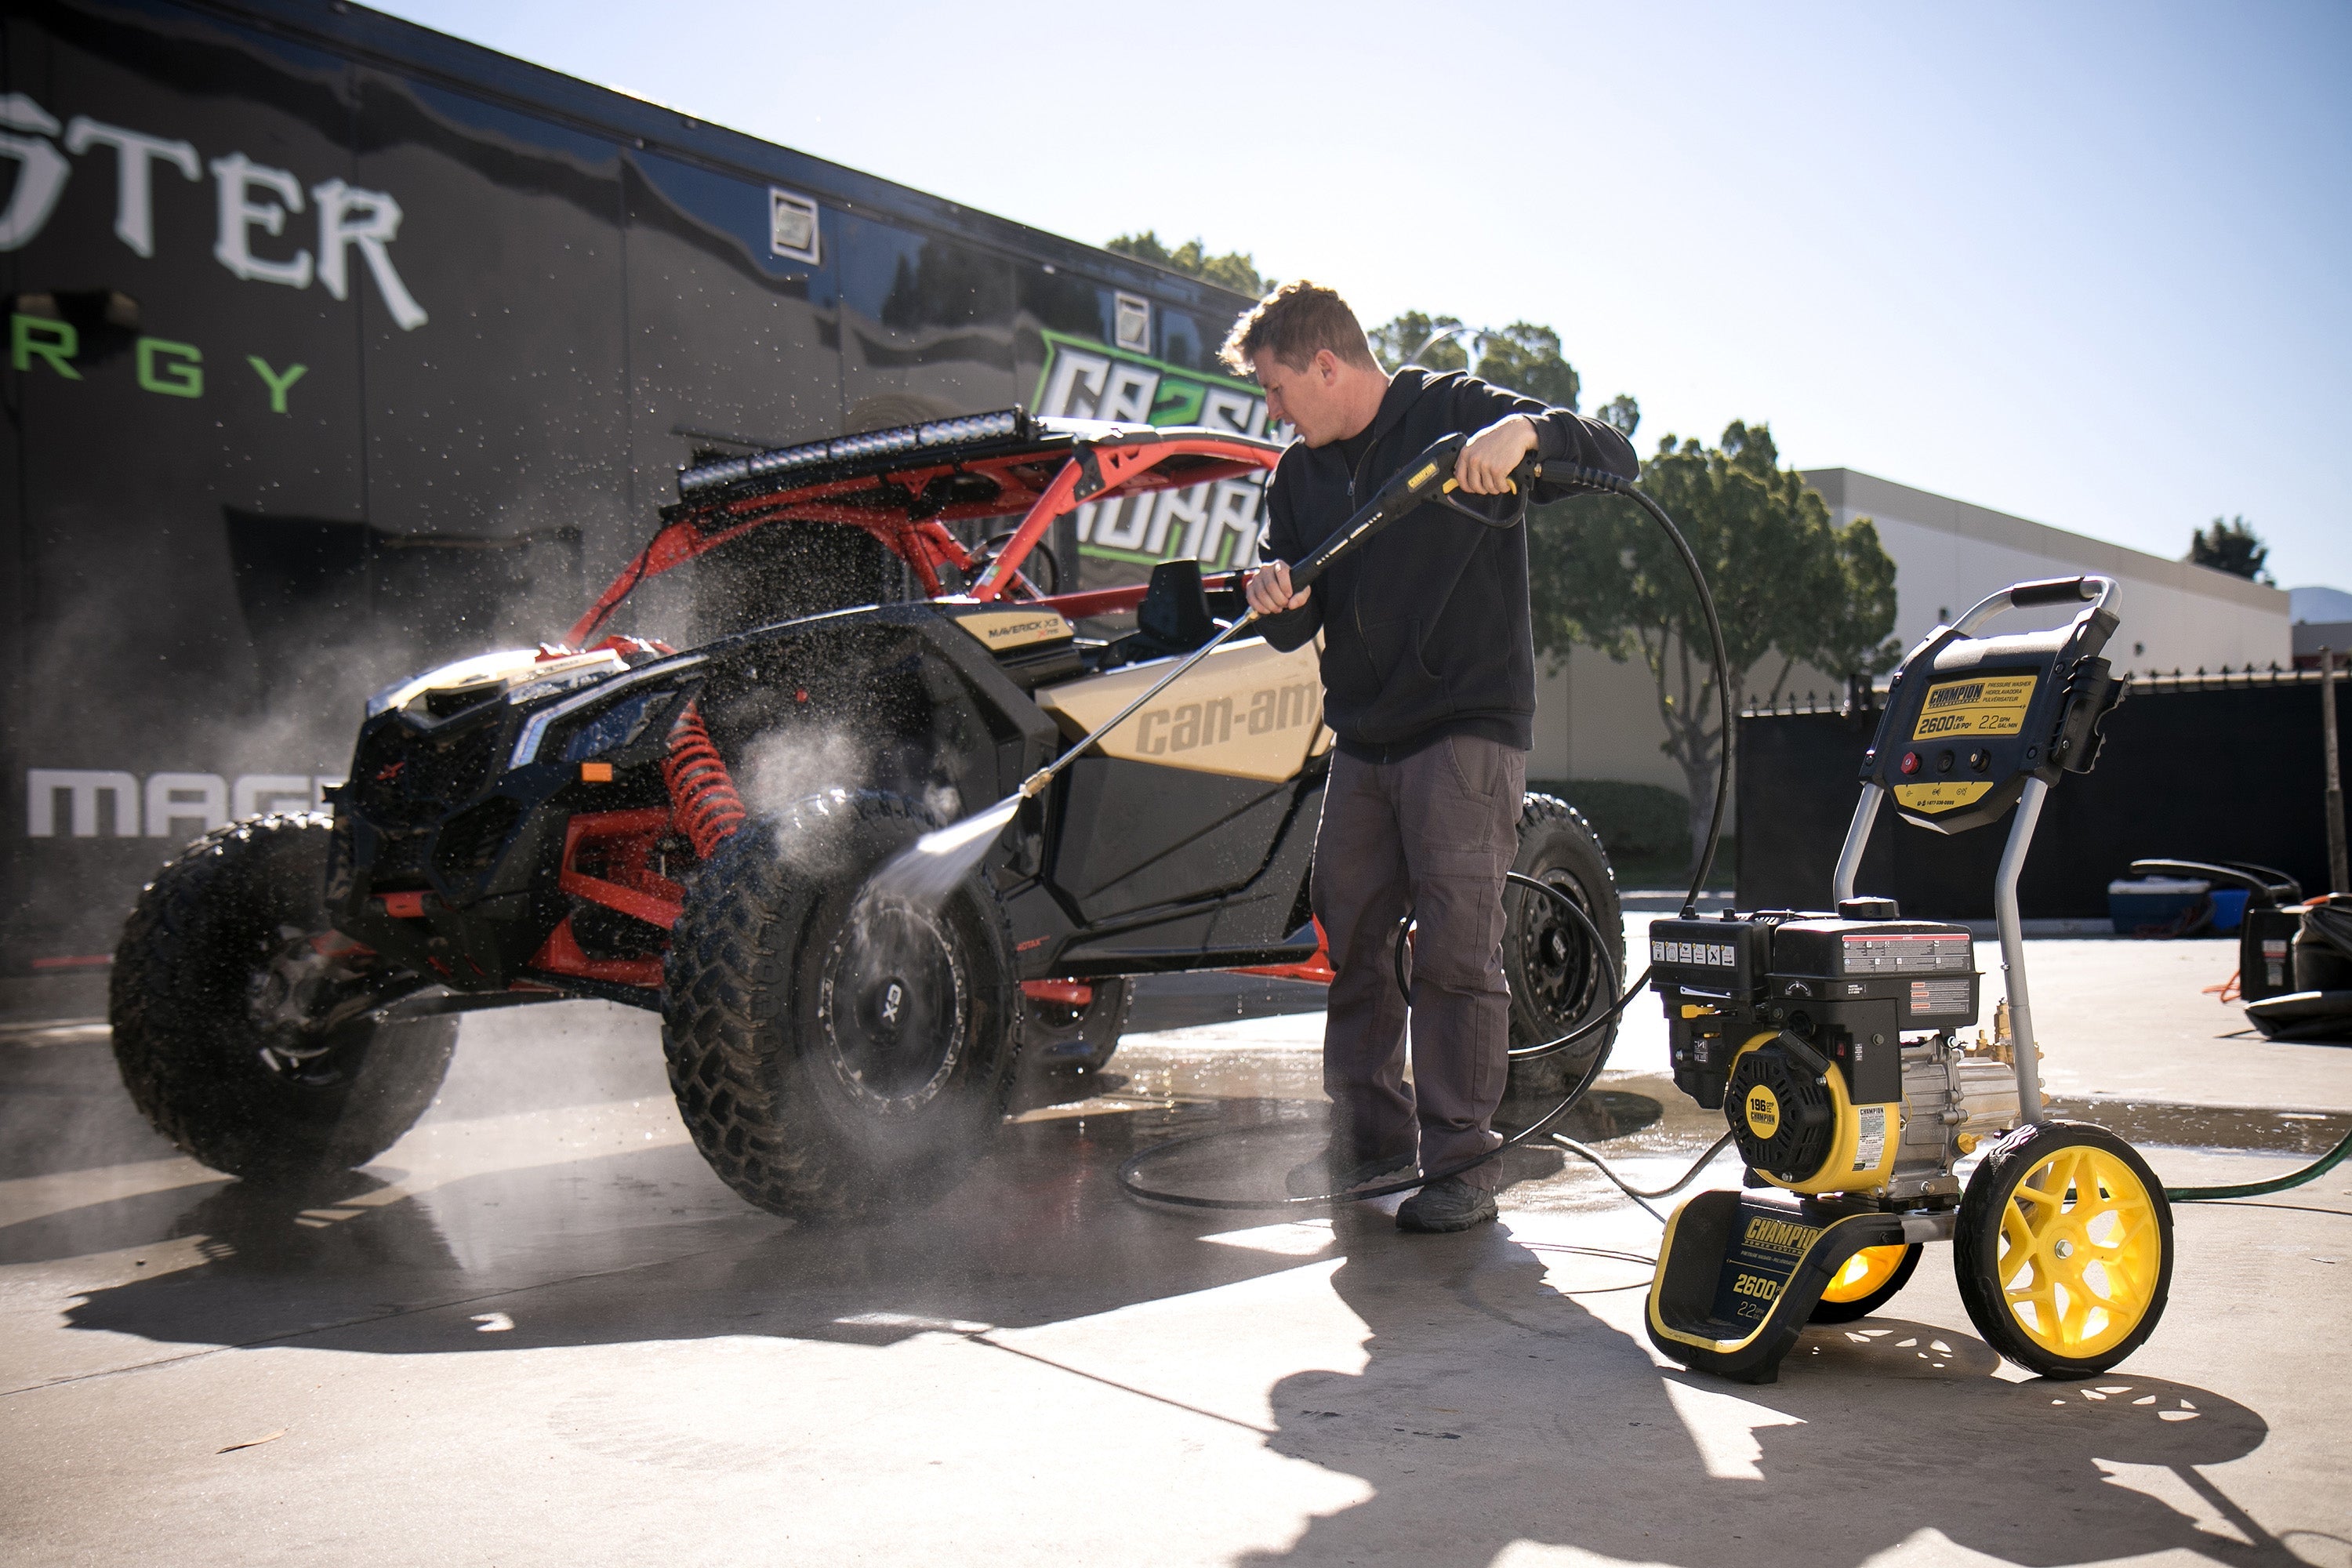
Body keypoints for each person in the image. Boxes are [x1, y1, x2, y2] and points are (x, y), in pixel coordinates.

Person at [1225, 282, 1637, 1232]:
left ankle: (1463, 1164)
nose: (1273, 409)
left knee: (1456, 948)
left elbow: (1616, 455)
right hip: (1365, 739)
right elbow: (1296, 630)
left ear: (1326, 363)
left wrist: (1527, 437)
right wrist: (1275, 595)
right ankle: (1370, 1142)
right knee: (1354, 938)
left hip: (1464, 730)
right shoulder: (1299, 480)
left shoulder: (1453, 413)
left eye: (1277, 386)